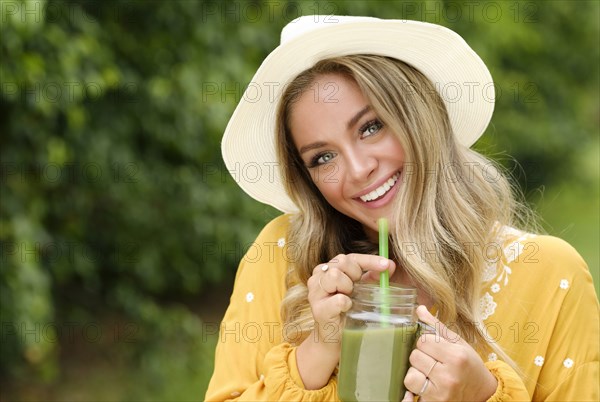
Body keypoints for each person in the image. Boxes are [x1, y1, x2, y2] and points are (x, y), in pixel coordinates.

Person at [205, 15, 599, 401]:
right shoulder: (282, 255)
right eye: (323, 157)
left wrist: (482, 396)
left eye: (371, 127)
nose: (358, 171)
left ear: (418, 117)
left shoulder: (548, 274)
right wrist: (317, 352)